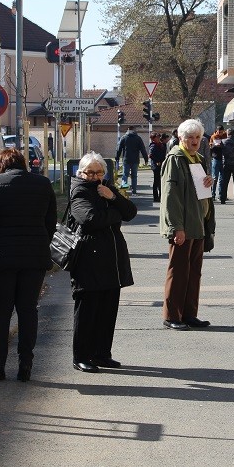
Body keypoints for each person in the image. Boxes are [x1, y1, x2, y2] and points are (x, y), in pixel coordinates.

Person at [0, 148, 57, 382]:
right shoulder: (42, 184)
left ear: (0, 165)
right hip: (34, 258)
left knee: (1, 311)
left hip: (0, 258)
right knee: (28, 310)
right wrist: (40, 241)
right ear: (23, 163)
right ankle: (25, 363)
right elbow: (50, 221)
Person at [68, 152, 137, 373]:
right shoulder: (79, 191)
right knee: (87, 309)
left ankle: (101, 353)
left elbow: (131, 212)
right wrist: (115, 214)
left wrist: (113, 198)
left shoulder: (107, 188)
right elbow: (90, 219)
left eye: (99, 173)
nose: (94, 177)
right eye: (90, 173)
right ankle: (81, 356)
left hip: (112, 259)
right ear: (81, 173)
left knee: (108, 309)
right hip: (89, 259)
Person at [159, 118, 215, 330]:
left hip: (198, 223)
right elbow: (170, 196)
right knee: (179, 271)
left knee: (193, 273)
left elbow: (199, 191)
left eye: (197, 137)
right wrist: (176, 227)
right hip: (183, 225)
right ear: (181, 138)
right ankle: (172, 316)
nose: (194, 141)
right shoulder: (175, 159)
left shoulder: (197, 158)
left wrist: (208, 181)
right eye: (190, 137)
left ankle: (189, 314)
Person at [116, 126, 148, 194]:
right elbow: (143, 149)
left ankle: (124, 191)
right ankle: (134, 191)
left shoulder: (124, 138)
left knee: (125, 175)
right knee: (134, 176)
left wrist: (117, 158)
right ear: (134, 130)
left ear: (128, 130)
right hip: (135, 160)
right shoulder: (138, 138)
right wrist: (146, 159)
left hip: (126, 159)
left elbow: (119, 149)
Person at [149, 132, 167, 203]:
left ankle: (161, 196)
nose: (158, 138)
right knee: (156, 181)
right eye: (157, 137)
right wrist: (157, 161)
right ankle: (156, 197)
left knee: (160, 181)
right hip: (156, 165)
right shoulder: (153, 145)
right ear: (153, 139)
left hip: (161, 164)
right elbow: (151, 155)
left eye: (159, 137)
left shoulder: (161, 144)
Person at [209, 126, 226, 201]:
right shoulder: (213, 137)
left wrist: (222, 144)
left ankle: (221, 195)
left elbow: (225, 146)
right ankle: (213, 195)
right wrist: (214, 145)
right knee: (215, 178)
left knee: (222, 179)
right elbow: (210, 147)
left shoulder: (225, 136)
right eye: (219, 132)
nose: (220, 133)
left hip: (223, 159)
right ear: (216, 131)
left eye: (221, 132)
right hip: (216, 158)